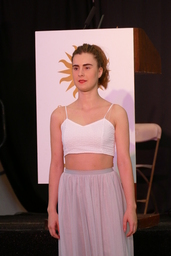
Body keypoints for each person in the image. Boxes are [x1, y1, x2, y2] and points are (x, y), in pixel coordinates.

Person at [47, 43, 137, 256]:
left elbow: (123, 162)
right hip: (71, 191)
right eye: (76, 67)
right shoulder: (60, 115)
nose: (80, 73)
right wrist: (52, 208)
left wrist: (131, 206)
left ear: (99, 71)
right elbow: (57, 163)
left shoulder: (116, 112)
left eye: (87, 67)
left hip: (106, 189)